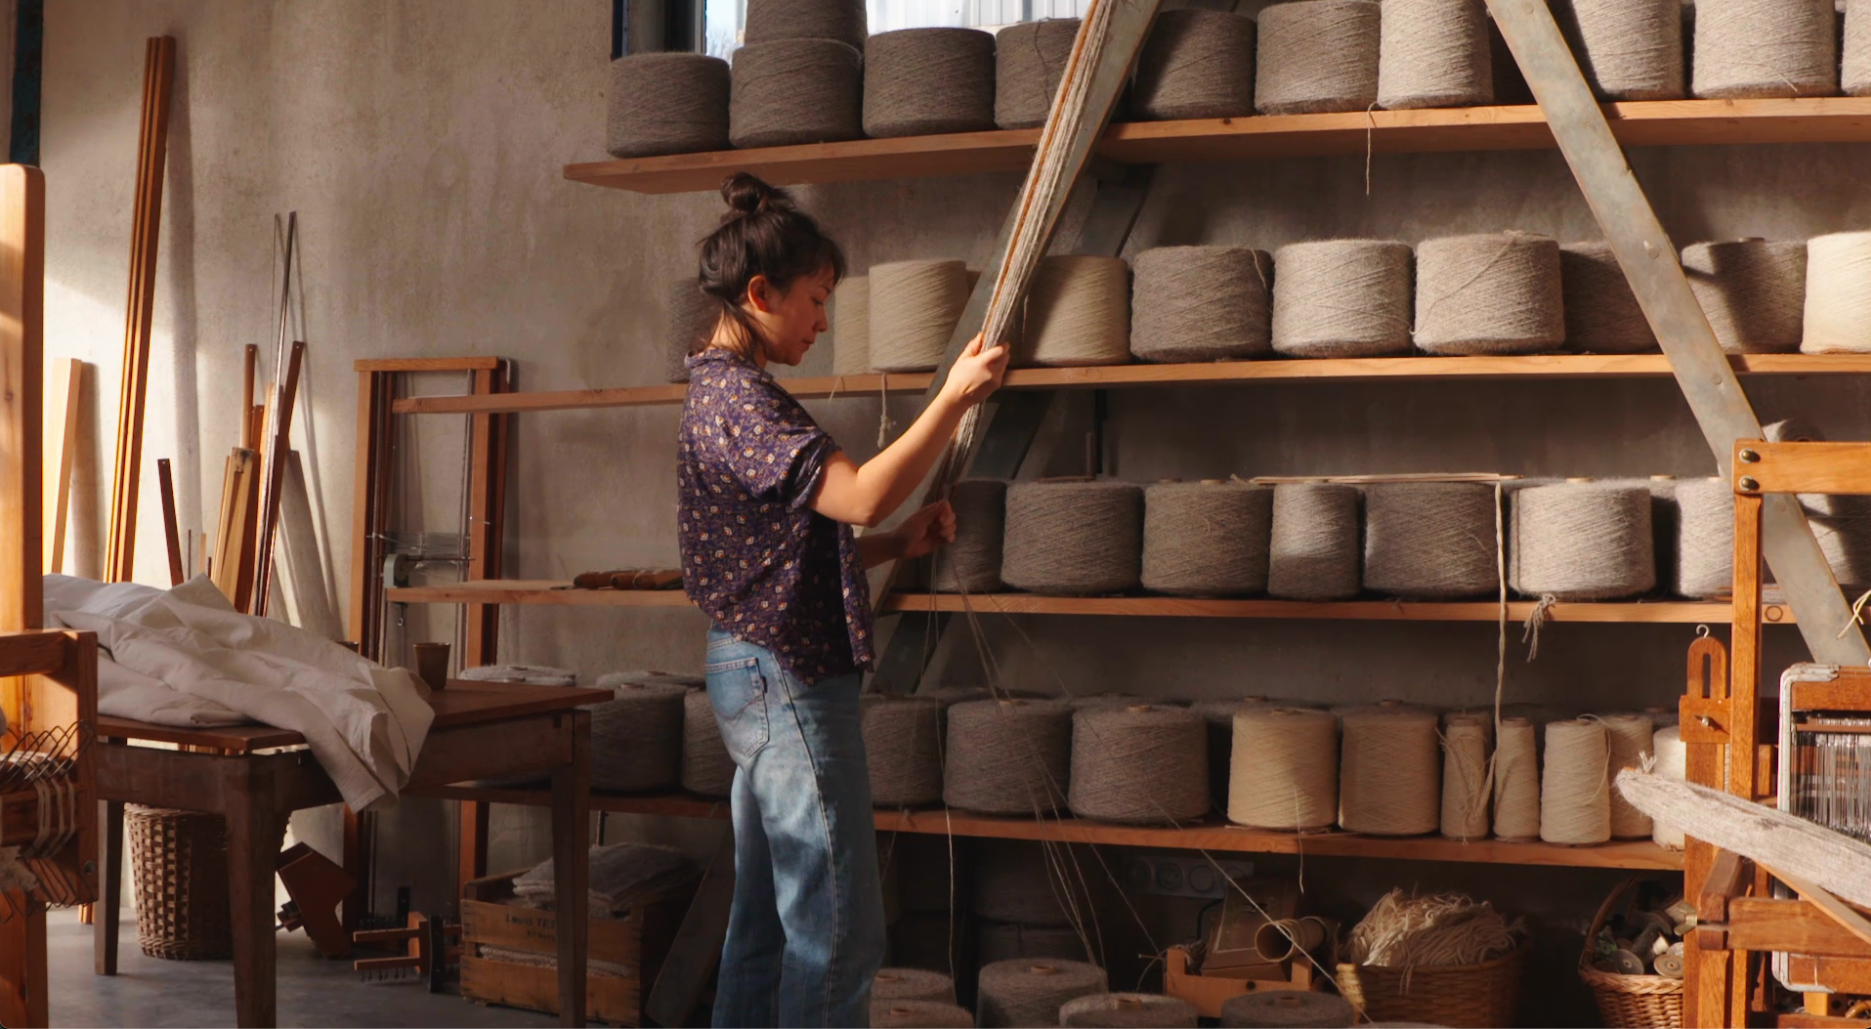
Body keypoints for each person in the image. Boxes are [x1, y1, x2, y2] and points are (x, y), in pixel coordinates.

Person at [677, 172, 1007, 1027]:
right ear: (761, 294)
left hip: (757, 667)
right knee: (836, 933)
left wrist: (897, 546)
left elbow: (779, 556)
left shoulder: (720, 393)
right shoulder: (740, 400)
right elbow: (858, 495)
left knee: (765, 928)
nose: (822, 322)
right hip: (785, 676)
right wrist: (953, 396)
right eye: (816, 300)